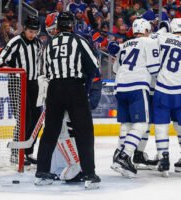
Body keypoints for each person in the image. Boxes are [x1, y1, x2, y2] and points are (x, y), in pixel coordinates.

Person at [35, 11, 101, 189]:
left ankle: (41, 172)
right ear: (72, 25)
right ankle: (89, 174)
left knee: (50, 132)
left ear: (57, 27)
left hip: (54, 89)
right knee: (84, 132)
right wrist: (84, 87)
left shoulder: (48, 44)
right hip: (74, 88)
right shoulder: (79, 40)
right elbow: (93, 66)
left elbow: (45, 70)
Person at [109, 18, 160, 178]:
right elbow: (153, 69)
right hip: (138, 86)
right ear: (146, 30)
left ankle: (121, 155)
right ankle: (124, 156)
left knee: (127, 124)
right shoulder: (149, 42)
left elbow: (116, 69)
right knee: (142, 124)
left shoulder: (124, 45)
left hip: (120, 86)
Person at [0, 15, 43, 165]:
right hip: (18, 83)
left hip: (34, 84)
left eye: (35, 32)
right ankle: (16, 152)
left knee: (37, 119)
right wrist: (10, 70)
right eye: (30, 31)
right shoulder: (15, 42)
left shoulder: (38, 43)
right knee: (24, 118)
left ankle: (27, 152)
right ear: (24, 29)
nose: (32, 34)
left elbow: (39, 63)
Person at [153, 18, 181, 177]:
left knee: (161, 125)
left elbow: (151, 37)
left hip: (162, 88)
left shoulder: (163, 37)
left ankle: (163, 159)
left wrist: (163, 27)